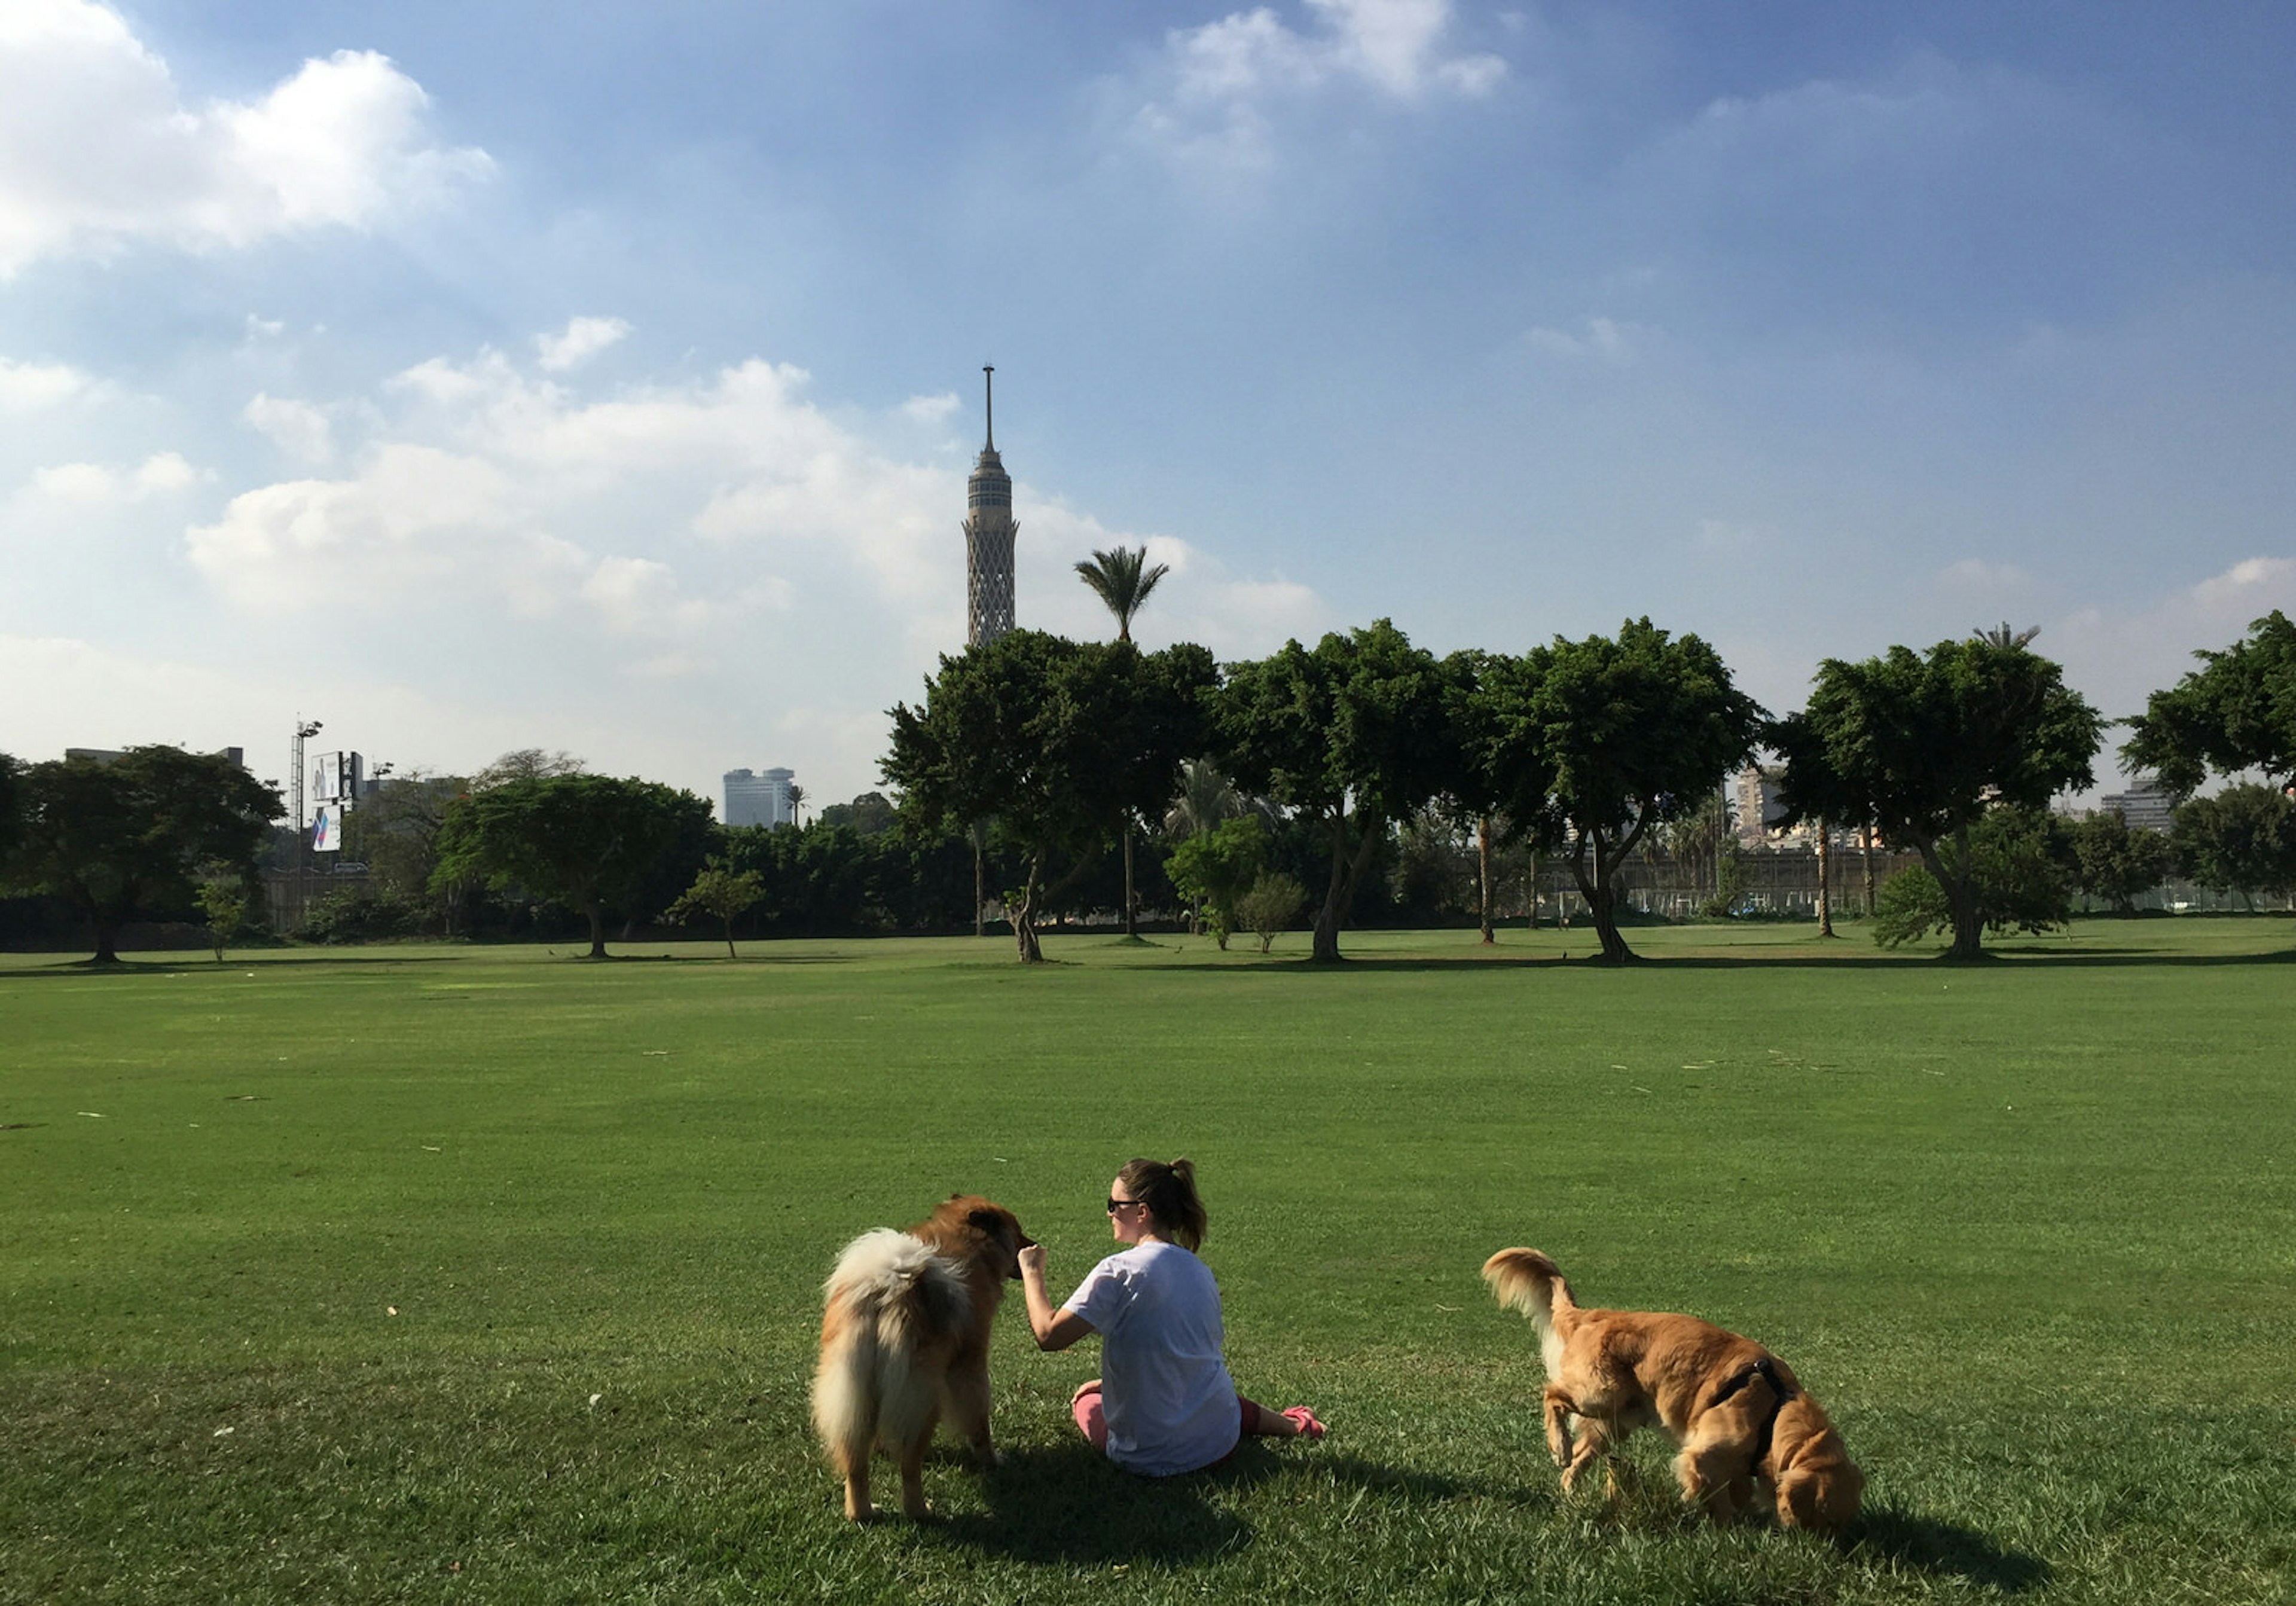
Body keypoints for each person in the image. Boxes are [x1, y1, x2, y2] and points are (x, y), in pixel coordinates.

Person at [1017, 1156, 1325, 1476]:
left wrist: (1032, 1272)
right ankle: (1295, 1425)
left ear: (1142, 1212)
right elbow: (1178, 1355)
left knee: (1086, 1403)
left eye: (1114, 1205)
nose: (1109, 1213)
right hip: (1220, 1441)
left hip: (1148, 1457)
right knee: (1208, 1391)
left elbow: (1049, 1335)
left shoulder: (1119, 1271)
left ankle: (1291, 1424)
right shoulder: (1199, 1271)